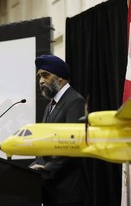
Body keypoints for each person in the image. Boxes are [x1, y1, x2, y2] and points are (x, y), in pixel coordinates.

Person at [29, 54, 90, 206]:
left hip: (67, 193)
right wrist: (33, 167)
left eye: (45, 75)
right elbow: (47, 145)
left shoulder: (75, 101)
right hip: (51, 191)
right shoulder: (51, 106)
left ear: (60, 78)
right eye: (39, 77)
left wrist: (46, 168)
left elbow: (75, 144)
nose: (41, 81)